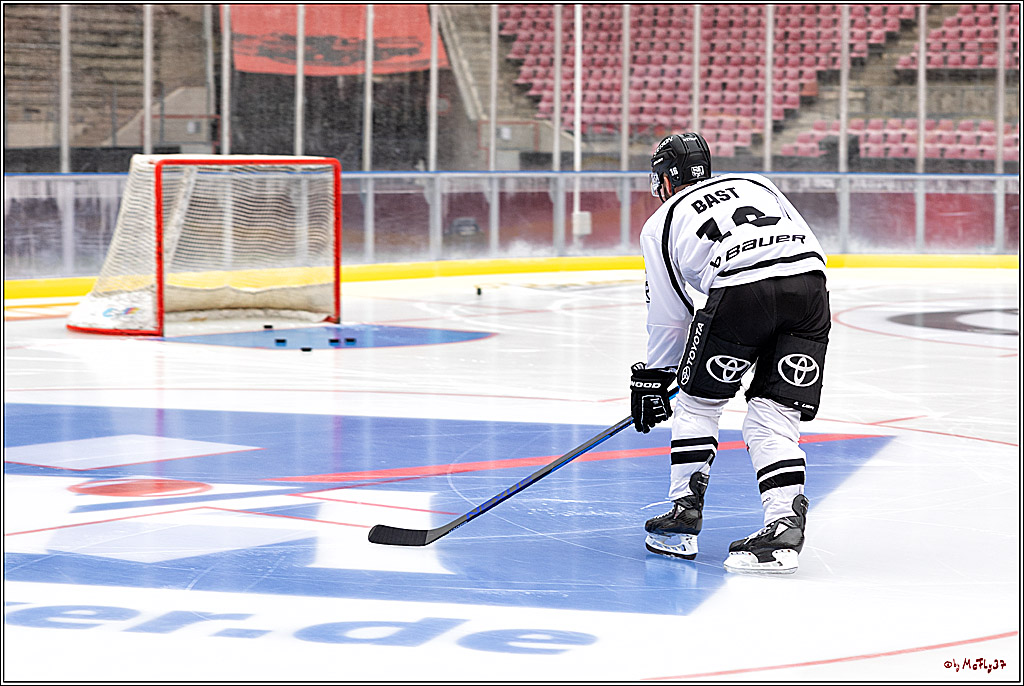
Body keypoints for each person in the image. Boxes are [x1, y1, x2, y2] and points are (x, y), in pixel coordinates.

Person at [629, 132, 831, 575]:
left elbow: (670, 312)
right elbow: (804, 244)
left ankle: (683, 518)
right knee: (774, 415)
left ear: (665, 179)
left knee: (698, 404)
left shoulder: (662, 220)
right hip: (810, 289)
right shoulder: (757, 182)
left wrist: (655, 377)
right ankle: (783, 529)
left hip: (742, 291)